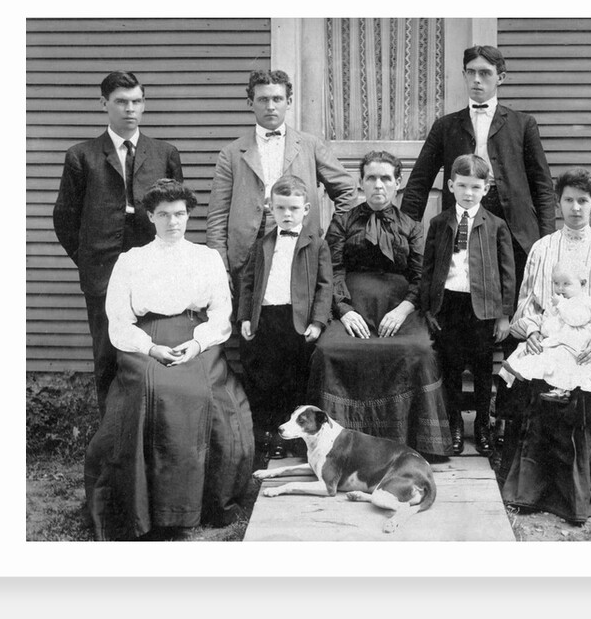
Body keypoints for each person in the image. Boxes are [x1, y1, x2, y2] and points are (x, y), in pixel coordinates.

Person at [398, 44, 556, 449]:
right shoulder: (447, 126)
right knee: (458, 340)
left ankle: (506, 422)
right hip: (461, 243)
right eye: (471, 72)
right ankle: (456, 421)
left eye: (486, 73)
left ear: (500, 77)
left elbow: (541, 186)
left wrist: (546, 243)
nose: (478, 80)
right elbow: (417, 183)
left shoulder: (522, 123)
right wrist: (406, 234)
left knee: (512, 330)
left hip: (516, 242)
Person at [84, 180, 254, 541]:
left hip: (196, 339)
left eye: (179, 214)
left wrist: (197, 344)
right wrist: (149, 348)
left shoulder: (206, 258)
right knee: (155, 389)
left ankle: (198, 503)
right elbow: (118, 318)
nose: (173, 222)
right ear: (150, 216)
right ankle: (149, 509)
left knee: (199, 393)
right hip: (146, 341)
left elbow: (221, 312)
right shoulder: (131, 261)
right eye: (163, 215)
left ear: (189, 215)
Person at [499, 166, 591, 525]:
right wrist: (529, 331)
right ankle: (531, 485)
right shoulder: (543, 248)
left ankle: (590, 484)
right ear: (558, 204)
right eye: (569, 200)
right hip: (548, 333)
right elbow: (527, 301)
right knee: (534, 368)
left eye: (583, 201)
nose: (576, 208)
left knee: (587, 375)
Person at [53, 71, 183, 418]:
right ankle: (113, 435)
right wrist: (89, 260)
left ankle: (153, 429)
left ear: (144, 104)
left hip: (153, 268)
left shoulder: (164, 153)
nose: (130, 109)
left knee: (153, 346)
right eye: (121, 102)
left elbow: (175, 215)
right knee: (108, 353)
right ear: (104, 104)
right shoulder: (82, 156)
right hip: (102, 271)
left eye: (136, 102)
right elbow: (64, 219)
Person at [307, 150, 452, 458]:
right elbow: (332, 270)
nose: (378, 185)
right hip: (351, 303)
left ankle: (416, 440)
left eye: (386, 178)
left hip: (398, 308)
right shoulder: (343, 222)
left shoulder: (411, 225)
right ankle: (332, 440)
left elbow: (420, 275)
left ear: (397, 184)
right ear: (361, 183)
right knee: (327, 351)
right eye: (371, 178)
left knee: (420, 351)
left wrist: (404, 309)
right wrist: (343, 310)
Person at [206, 69, 357, 302]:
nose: (270, 106)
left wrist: (330, 237)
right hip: (249, 252)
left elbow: (346, 189)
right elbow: (217, 215)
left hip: (299, 247)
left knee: (296, 322)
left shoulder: (310, 146)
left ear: (289, 102)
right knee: (252, 324)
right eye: (263, 99)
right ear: (250, 103)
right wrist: (220, 267)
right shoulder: (232, 153)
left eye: (277, 99)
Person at [420, 154, 515, 456]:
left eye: (475, 187)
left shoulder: (496, 225)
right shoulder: (438, 224)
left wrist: (504, 315)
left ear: (486, 189)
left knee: (483, 371)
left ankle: (484, 428)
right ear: (450, 185)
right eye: (462, 186)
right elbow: (428, 268)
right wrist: (428, 308)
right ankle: (455, 426)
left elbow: (507, 272)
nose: (468, 193)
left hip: (483, 309)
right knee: (450, 370)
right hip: (449, 305)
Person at [237, 176, 333, 460]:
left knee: (294, 381)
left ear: (305, 209)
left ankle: (295, 440)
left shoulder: (317, 244)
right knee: (266, 380)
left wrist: (317, 321)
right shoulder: (263, 243)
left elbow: (325, 287)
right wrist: (245, 317)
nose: (287, 215)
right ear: (270, 208)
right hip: (266, 319)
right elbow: (248, 282)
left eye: (293, 208)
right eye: (280, 208)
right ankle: (269, 436)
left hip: (298, 323)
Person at [499, 260, 591, 404]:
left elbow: (576, 319)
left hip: (577, 344)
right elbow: (547, 322)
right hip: (559, 339)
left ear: (582, 284)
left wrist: (561, 305)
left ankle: (562, 390)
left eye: (566, 284)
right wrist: (543, 329)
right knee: (526, 350)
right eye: (556, 283)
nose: (560, 288)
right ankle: (516, 371)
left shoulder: (585, 302)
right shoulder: (555, 303)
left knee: (561, 358)